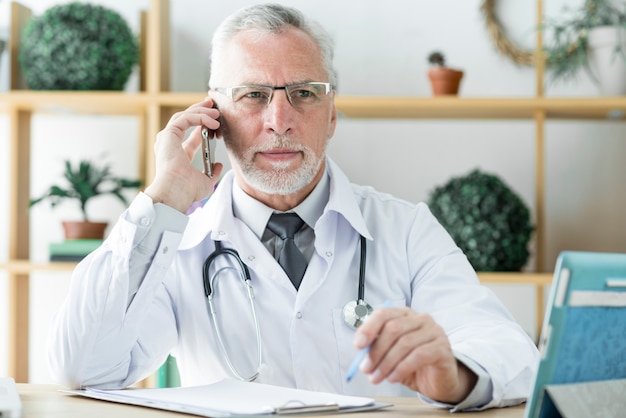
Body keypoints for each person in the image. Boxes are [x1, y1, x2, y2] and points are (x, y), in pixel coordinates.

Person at [48, 3, 539, 412]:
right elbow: (83, 365)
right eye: (254, 95)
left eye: (304, 94)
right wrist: (165, 197)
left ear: (331, 116)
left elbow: (514, 352)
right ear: (212, 116)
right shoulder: (175, 241)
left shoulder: (405, 230)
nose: (279, 120)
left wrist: (453, 375)